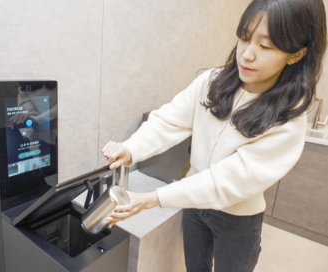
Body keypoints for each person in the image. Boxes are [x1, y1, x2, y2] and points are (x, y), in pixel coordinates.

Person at [102, 0, 327, 271]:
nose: (246, 55)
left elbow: (225, 181)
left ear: (296, 55)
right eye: (244, 38)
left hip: (238, 220)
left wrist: (151, 199)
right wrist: (131, 149)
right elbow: (169, 121)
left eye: (265, 46)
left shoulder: (288, 119)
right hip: (195, 208)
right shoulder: (213, 82)